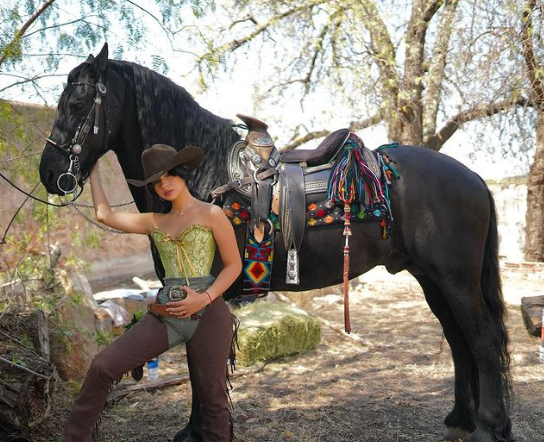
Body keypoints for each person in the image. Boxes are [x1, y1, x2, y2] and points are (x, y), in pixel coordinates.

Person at [59, 144, 242, 442]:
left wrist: (204, 297)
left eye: (169, 175)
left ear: (182, 174)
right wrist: (92, 170)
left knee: (213, 402)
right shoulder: (155, 221)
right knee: (103, 366)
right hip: (167, 313)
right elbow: (104, 215)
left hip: (209, 312)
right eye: (157, 182)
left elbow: (234, 266)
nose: (164, 185)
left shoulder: (212, 213)